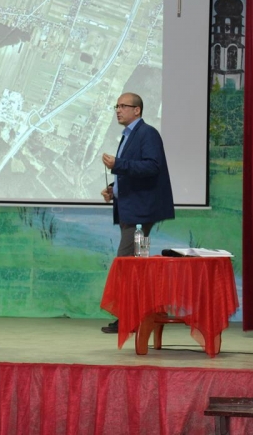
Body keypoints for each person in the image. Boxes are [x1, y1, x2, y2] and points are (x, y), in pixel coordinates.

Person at [100, 92, 175, 334]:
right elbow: (135, 172)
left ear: (137, 110)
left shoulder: (147, 133)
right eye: (117, 106)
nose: (118, 110)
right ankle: (132, 316)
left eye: (123, 106)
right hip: (131, 208)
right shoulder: (128, 135)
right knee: (133, 265)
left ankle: (129, 317)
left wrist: (118, 164)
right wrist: (114, 189)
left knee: (126, 263)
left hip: (140, 212)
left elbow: (152, 166)